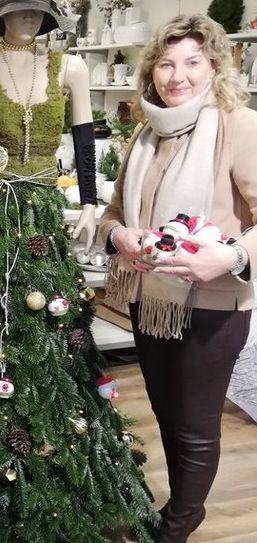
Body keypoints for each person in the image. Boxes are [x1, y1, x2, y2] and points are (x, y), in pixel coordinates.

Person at [98, 14, 257, 542]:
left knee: (194, 423)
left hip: (212, 302)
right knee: (167, 412)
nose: (177, 75)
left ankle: (180, 521)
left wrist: (231, 257)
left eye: (192, 62)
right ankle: (185, 505)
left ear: (214, 65)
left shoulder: (238, 125)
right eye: (166, 63)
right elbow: (114, 213)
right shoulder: (145, 132)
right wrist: (119, 235)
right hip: (150, 298)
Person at [0, 0, 98, 244]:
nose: (30, 16)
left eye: (38, 9)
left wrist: (90, 204)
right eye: (19, 9)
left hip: (45, 209)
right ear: (2, 16)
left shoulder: (71, 67)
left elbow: (85, 140)